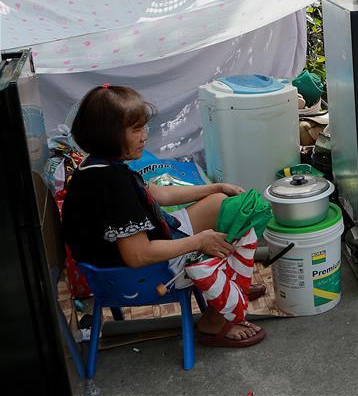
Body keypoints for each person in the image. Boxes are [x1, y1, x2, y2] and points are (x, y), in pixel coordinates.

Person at [62, 85, 267, 347]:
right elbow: (138, 256)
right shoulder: (113, 186)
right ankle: (215, 318)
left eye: (143, 127)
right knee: (239, 222)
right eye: (135, 130)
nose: (144, 136)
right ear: (107, 135)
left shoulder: (96, 166)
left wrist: (215, 187)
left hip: (130, 254)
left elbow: (156, 194)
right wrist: (199, 241)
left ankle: (232, 284)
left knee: (224, 204)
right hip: (140, 274)